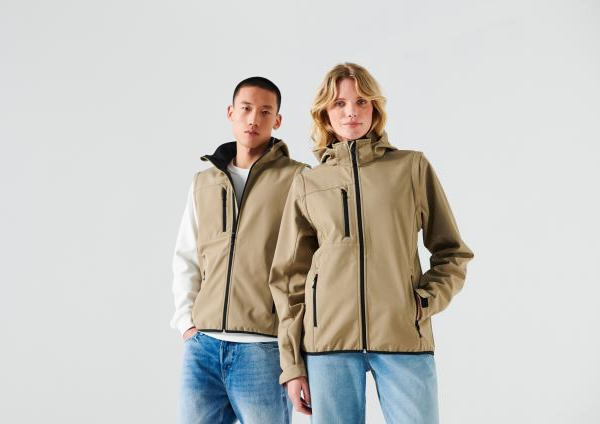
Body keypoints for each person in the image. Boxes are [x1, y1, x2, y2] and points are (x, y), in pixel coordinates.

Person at [269, 63, 474, 423]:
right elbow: (288, 280)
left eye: (361, 101)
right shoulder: (309, 183)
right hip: (328, 342)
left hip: (402, 336)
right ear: (325, 114)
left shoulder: (411, 168)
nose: (351, 111)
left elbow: (452, 252)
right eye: (340, 103)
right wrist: (292, 365)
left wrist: (423, 302)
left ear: (375, 109)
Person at [171, 76, 307, 424]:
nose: (253, 119)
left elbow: (310, 263)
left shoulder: (298, 179)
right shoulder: (204, 182)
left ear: (277, 120)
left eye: (265, 112)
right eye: (246, 109)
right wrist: (187, 323)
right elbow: (187, 255)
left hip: (263, 347)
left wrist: (294, 343)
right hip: (202, 347)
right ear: (231, 113)